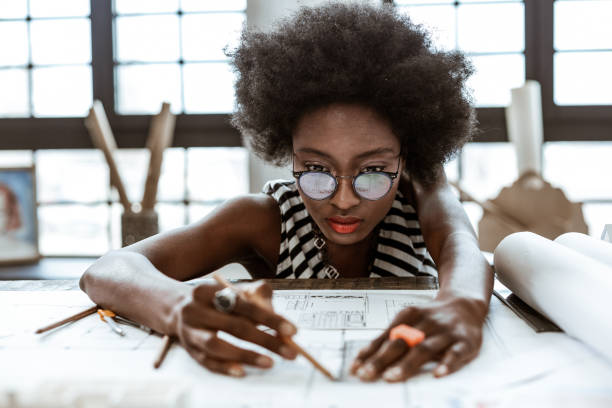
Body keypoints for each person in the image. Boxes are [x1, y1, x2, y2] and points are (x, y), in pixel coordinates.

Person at [80, 2, 493, 382]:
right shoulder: (261, 218)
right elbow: (107, 271)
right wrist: (174, 306)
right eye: (315, 169)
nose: (344, 199)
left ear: (406, 160)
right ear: (288, 151)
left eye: (372, 171)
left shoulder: (423, 193)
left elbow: (460, 241)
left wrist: (464, 303)